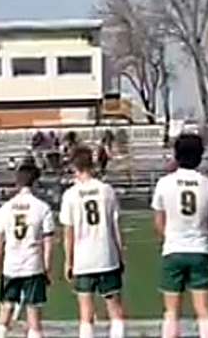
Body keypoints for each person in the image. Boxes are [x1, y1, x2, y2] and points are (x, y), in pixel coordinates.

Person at [151, 133, 208, 338]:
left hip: (173, 249)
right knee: (204, 311)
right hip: (200, 250)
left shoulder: (164, 183)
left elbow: (158, 222)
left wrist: (172, 237)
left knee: (171, 311)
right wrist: (200, 236)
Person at [60, 145, 125, 338]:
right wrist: (120, 256)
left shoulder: (70, 195)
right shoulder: (106, 190)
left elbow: (68, 232)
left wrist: (68, 261)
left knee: (86, 314)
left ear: (74, 166)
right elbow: (115, 228)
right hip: (106, 255)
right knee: (115, 311)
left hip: (83, 259)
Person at [0, 162, 55, 338]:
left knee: (6, 310)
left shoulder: (5, 208)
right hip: (33, 265)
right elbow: (48, 242)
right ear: (36, 182)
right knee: (34, 315)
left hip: (11, 266)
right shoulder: (42, 208)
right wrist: (47, 269)